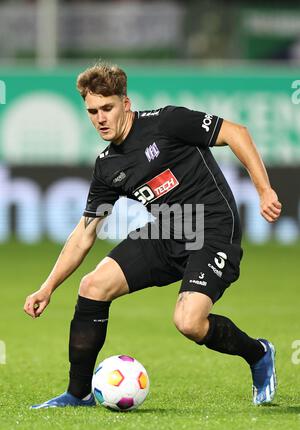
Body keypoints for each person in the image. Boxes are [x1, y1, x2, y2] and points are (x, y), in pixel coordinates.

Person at [24, 63, 282, 409]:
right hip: (168, 230)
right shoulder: (107, 166)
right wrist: (48, 286)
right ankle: (78, 394)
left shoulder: (166, 122)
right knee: (92, 286)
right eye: (92, 111)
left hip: (213, 229)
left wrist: (264, 190)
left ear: (125, 104)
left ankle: (258, 353)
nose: (100, 118)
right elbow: (85, 233)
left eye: (107, 108)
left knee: (189, 322)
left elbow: (237, 132)